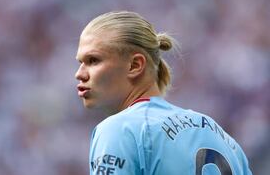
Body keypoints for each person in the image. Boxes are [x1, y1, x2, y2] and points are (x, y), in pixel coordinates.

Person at [75, 11, 252, 175]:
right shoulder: (225, 140)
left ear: (135, 65)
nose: (79, 73)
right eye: (80, 62)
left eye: (93, 60)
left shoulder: (120, 130)